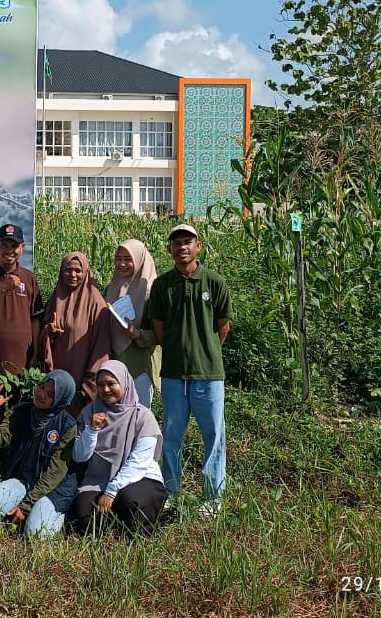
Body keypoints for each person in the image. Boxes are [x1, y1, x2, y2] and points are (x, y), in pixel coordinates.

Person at [146, 224, 231, 517]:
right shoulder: (162, 286)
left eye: (187, 242)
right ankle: (171, 491)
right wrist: (177, 351)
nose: (182, 247)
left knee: (214, 436)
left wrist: (204, 351)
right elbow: (158, 328)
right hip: (172, 374)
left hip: (209, 375)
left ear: (198, 247)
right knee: (171, 435)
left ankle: (212, 497)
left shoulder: (214, 282)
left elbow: (222, 327)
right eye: (176, 243)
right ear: (169, 249)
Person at [67, 360, 166, 536]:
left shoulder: (142, 416)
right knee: (81, 513)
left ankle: (136, 532)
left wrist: (112, 491)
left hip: (139, 476)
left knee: (130, 500)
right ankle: (112, 530)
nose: (105, 390)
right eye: (101, 385)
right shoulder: (90, 412)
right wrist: (92, 430)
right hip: (98, 479)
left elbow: (139, 461)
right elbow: (79, 456)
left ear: (125, 383)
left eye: (112, 384)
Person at [0, 370, 79, 539]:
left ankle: (56, 513)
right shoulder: (22, 411)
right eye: (41, 386)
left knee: (36, 535)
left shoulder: (67, 425)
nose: (40, 394)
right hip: (24, 480)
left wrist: (26, 505)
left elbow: (55, 473)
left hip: (53, 489)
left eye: (50, 394)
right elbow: (0, 440)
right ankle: (27, 511)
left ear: (60, 400)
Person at [0, 224, 44, 391]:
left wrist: (35, 355)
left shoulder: (29, 278)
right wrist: (3, 289)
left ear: (22, 248)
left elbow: (35, 319)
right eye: (4, 245)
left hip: (23, 365)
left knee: (19, 414)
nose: (9, 250)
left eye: (14, 246)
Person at [37, 252, 113, 412]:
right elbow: (42, 333)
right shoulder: (56, 298)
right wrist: (48, 331)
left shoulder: (96, 304)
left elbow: (102, 345)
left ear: (85, 272)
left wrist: (90, 383)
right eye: (68, 270)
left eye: (78, 271)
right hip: (57, 374)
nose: (72, 275)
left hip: (82, 377)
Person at [104, 239, 162, 410]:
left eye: (128, 259)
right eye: (118, 258)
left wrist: (134, 333)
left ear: (140, 259)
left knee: (139, 416)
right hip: (116, 362)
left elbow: (159, 334)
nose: (122, 264)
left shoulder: (152, 292)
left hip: (140, 366)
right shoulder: (113, 287)